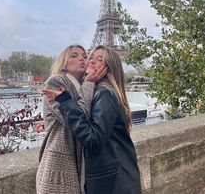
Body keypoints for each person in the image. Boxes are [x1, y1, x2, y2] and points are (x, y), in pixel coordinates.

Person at [46, 45, 142, 194]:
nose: (88, 61)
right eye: (91, 57)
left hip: (113, 181)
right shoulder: (94, 89)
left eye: (99, 60)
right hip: (118, 178)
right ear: (63, 62)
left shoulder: (103, 93)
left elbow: (93, 138)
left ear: (108, 68)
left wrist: (65, 101)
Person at [36, 44, 106, 194]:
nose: (81, 58)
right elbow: (77, 118)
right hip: (59, 164)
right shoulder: (55, 82)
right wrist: (89, 82)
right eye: (74, 56)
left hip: (79, 162)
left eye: (84, 56)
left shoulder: (84, 85)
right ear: (64, 63)